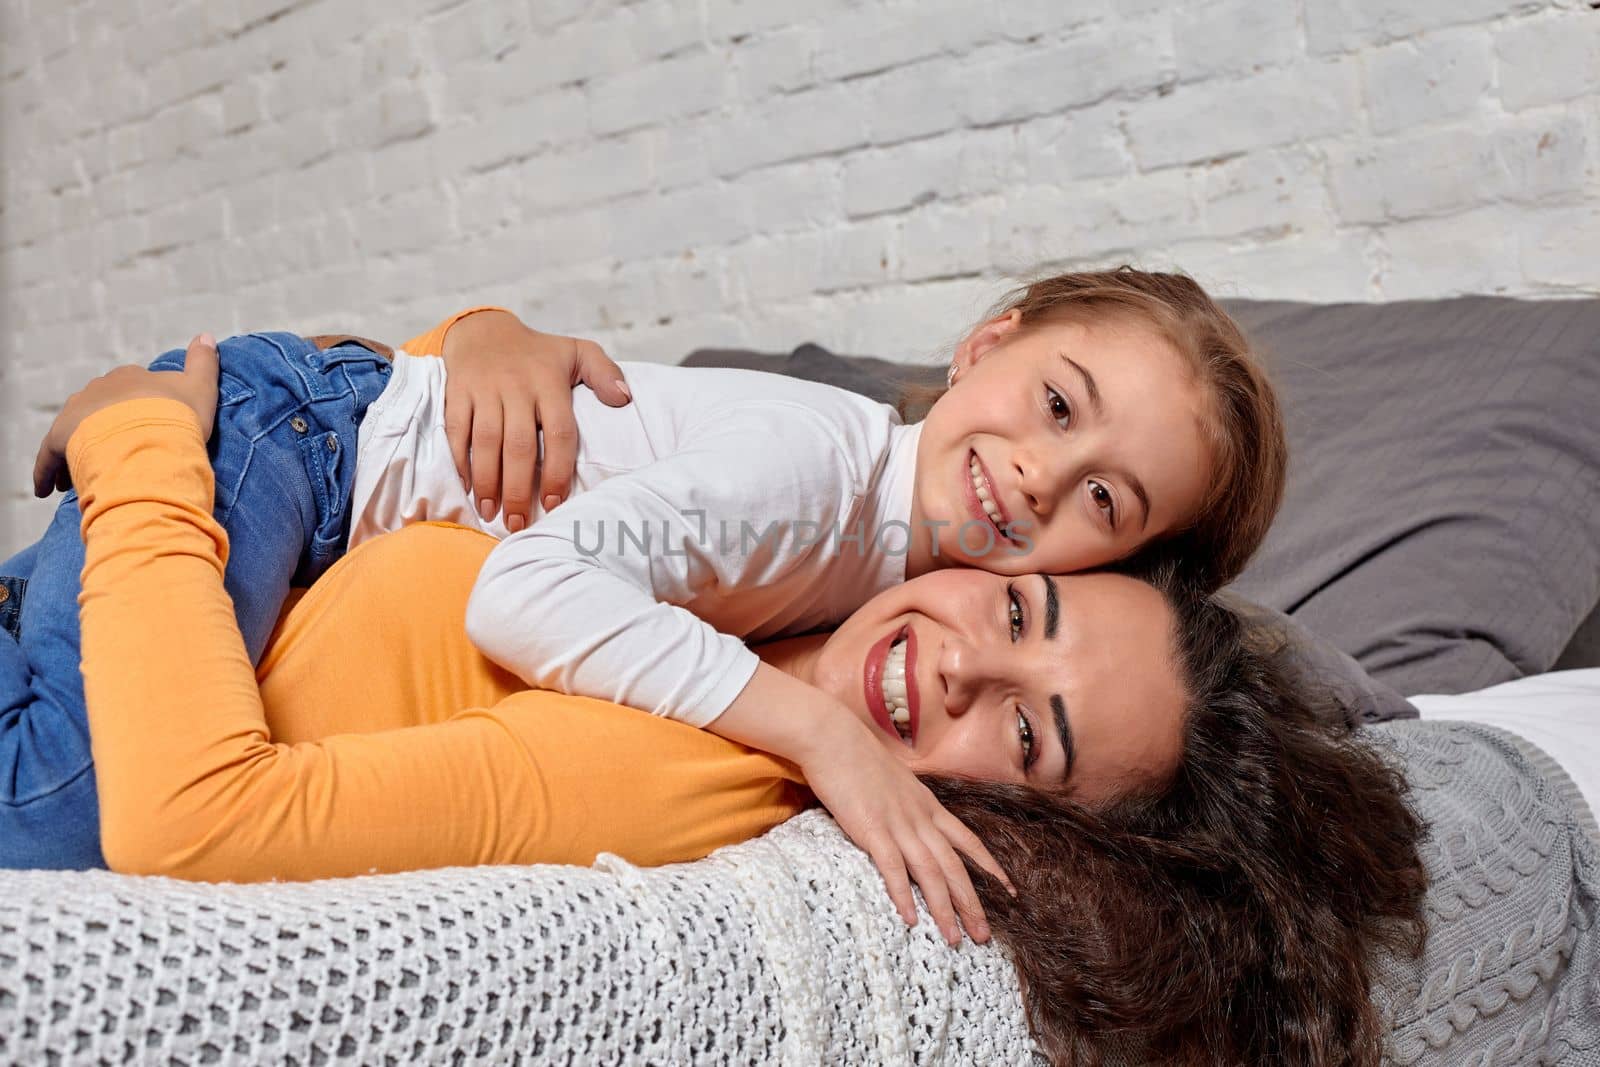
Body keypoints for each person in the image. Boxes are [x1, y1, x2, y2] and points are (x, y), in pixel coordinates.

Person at [53, 356, 1425, 1065]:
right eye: (1020, 615)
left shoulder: (678, 771)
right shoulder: (772, 563)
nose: (964, 669)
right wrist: (485, 343)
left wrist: (137, 447)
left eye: (1023, 736)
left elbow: (192, 816)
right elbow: (407, 443)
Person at [8, 267, 1286, 940]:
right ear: (987, 345)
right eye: (1055, 405)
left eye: (1104, 502)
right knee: (65, 807)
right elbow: (526, 579)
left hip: (315, 453)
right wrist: (819, 727)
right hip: (288, 438)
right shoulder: (817, 485)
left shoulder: (858, 582)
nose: (1033, 475)